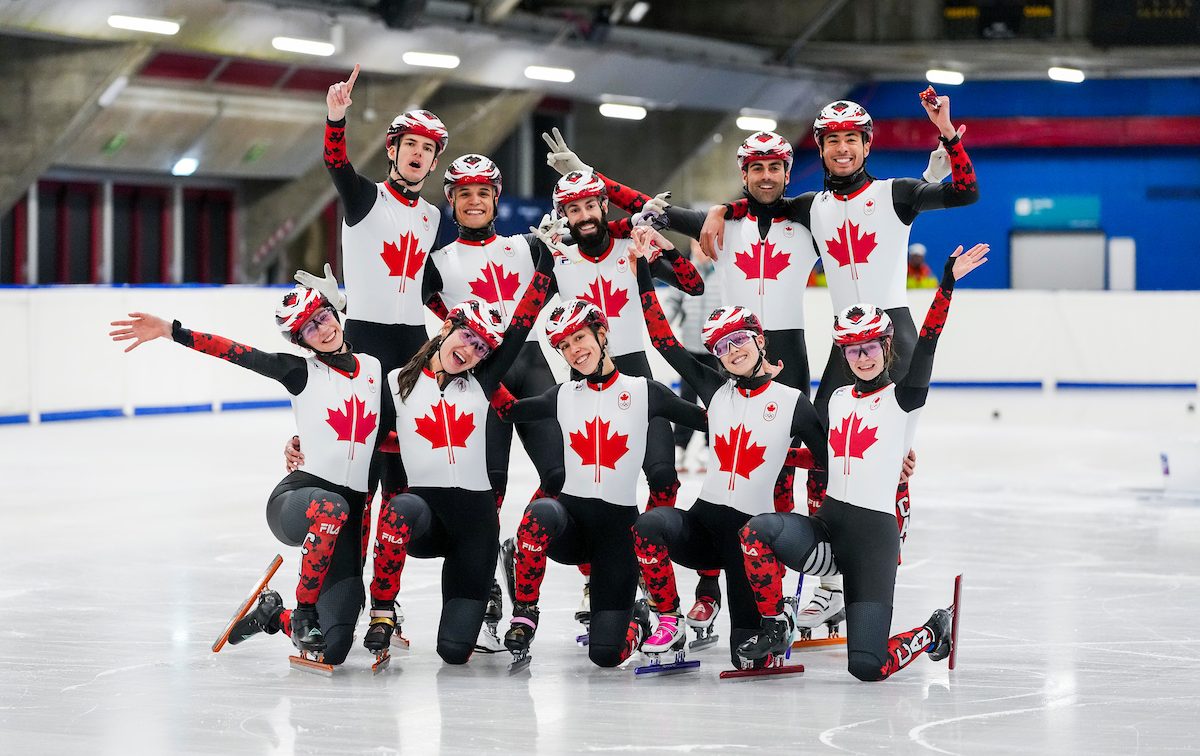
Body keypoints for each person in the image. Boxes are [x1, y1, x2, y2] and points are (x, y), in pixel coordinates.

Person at [701, 91, 980, 635]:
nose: (843, 149)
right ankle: (830, 581)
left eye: (852, 139)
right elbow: (760, 202)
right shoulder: (811, 207)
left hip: (892, 338)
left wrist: (948, 134)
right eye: (833, 141)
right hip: (843, 343)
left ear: (866, 144)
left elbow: (965, 192)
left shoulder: (895, 194)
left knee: (889, 457)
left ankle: (880, 566)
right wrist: (717, 209)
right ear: (823, 149)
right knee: (829, 451)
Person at [735, 242, 988, 678]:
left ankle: (933, 629)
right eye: (853, 349)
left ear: (887, 346)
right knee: (756, 531)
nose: (864, 356)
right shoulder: (834, 399)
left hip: (872, 542)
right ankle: (777, 624)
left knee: (869, 667)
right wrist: (770, 453)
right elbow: (826, 458)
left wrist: (946, 283)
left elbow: (927, 343)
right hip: (828, 532)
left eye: (872, 347)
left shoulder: (903, 399)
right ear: (842, 355)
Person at [109, 284, 388, 666]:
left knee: (334, 649)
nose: (323, 330)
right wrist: (172, 330)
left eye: (323, 317)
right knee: (332, 506)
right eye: (309, 328)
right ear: (300, 340)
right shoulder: (299, 372)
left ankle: (273, 615)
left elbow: (381, 436)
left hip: (349, 512)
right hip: (298, 500)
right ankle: (304, 614)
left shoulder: (372, 368)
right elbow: (239, 354)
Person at [627, 227, 828, 667]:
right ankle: (669, 619)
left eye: (740, 340)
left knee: (746, 657)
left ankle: (777, 619)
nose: (732, 351)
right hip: (705, 524)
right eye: (722, 346)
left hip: (750, 542)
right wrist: (643, 270)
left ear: (760, 341)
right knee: (647, 528)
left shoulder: (794, 403)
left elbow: (828, 464)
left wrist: (890, 470)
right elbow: (664, 342)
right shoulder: (714, 389)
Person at [489, 295, 708, 668]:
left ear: (602, 333)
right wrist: (486, 365)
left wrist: (755, 389)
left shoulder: (644, 392)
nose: (574, 351)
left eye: (579, 338)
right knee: (541, 510)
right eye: (564, 346)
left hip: (616, 536)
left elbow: (711, 421)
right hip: (569, 530)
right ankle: (525, 613)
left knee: (606, 656)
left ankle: (636, 620)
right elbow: (509, 410)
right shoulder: (562, 396)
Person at [316, 63, 449, 506]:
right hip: (365, 340)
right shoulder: (366, 198)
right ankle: (349, 573)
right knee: (361, 468)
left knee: (405, 468)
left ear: (433, 162)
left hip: (414, 344)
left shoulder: (432, 217)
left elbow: (437, 281)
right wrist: (337, 118)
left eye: (427, 148)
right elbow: (337, 163)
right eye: (409, 143)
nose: (417, 152)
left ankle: (389, 575)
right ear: (393, 151)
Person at [426, 153, 565, 509]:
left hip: (533, 365)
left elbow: (590, 239)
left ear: (496, 198)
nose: (475, 202)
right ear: (451, 200)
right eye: (465, 193)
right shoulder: (438, 262)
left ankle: (522, 546)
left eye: (483, 193)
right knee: (491, 487)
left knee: (561, 476)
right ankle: (484, 559)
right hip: (482, 376)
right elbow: (391, 302)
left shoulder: (526, 245)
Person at [658, 240, 724, 474]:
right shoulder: (683, 272)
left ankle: (711, 446)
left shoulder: (723, 273)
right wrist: (663, 325)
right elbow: (673, 303)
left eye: (705, 246)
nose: (701, 251)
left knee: (716, 400)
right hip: (690, 348)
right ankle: (680, 445)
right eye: (697, 246)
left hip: (718, 352)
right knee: (686, 399)